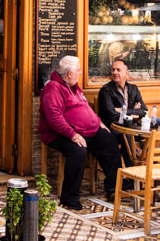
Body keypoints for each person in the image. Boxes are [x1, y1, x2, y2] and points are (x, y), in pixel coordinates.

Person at [39, 55, 121, 209]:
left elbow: (86, 109)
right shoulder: (53, 88)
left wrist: (99, 122)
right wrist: (73, 135)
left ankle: (112, 188)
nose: (81, 73)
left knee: (109, 141)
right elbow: (54, 118)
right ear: (70, 73)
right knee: (78, 151)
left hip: (87, 131)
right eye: (78, 70)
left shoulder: (74, 87)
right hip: (58, 134)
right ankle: (69, 198)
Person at [98, 59, 160, 164]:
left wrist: (123, 110)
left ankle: (145, 156)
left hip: (134, 125)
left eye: (118, 70)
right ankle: (131, 169)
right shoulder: (106, 90)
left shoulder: (133, 89)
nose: (114, 72)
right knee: (127, 134)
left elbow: (144, 111)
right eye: (113, 70)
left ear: (126, 73)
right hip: (115, 127)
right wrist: (134, 111)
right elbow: (112, 115)